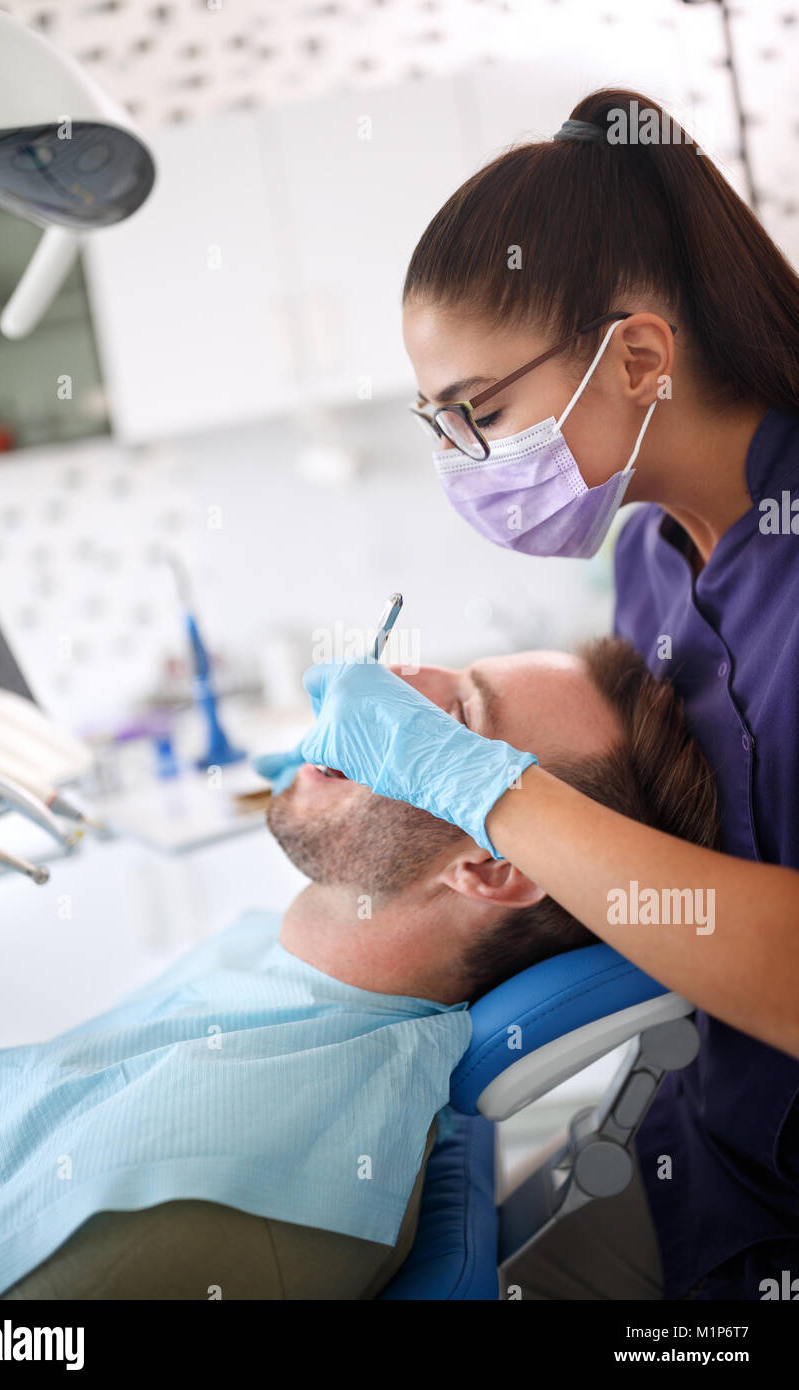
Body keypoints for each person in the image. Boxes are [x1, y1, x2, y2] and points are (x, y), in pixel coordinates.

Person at [257, 89, 799, 1301]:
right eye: (436, 422)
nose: (460, 460)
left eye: (479, 412)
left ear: (641, 355)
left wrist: (470, 779)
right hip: (698, 1159)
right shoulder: (655, 562)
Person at [0, 637, 715, 1300]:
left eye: (456, 717)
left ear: (489, 868)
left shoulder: (231, 1196)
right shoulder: (273, 965)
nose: (387, 685)